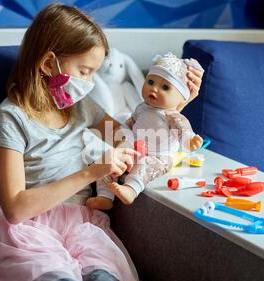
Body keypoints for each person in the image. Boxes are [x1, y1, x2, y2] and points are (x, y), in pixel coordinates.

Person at [0, 4, 203, 281]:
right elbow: (16, 208)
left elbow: (130, 137)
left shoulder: (82, 107)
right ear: (47, 64)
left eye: (94, 73)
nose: (90, 82)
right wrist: (92, 172)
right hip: (29, 232)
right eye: (84, 71)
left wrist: (174, 107)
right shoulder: (11, 118)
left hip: (81, 227)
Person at [87, 52, 204, 209]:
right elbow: (131, 123)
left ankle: (131, 190)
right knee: (107, 161)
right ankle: (104, 196)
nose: (154, 89)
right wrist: (123, 139)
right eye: (150, 81)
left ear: (181, 97)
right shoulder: (141, 108)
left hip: (158, 157)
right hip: (133, 150)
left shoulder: (172, 116)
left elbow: (183, 130)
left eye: (165, 87)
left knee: (145, 164)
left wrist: (190, 141)